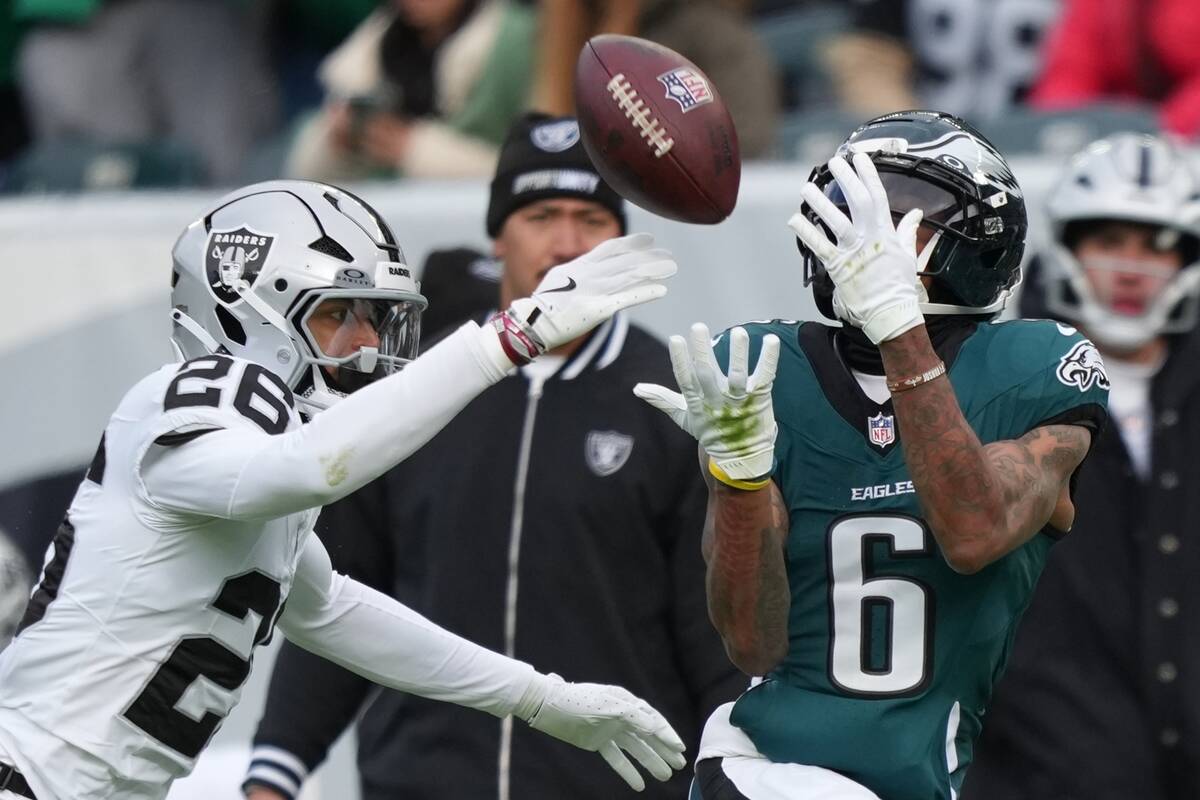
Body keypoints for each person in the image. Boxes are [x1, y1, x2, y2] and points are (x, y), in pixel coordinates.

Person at [0, 178, 687, 800]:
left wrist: (540, 698)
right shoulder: (196, 398)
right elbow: (306, 466)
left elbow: (335, 612)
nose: (366, 341)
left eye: (373, 317)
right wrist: (506, 339)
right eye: (339, 315)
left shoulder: (257, 467)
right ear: (251, 313)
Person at [242, 113, 744, 800]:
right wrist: (275, 769)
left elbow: (713, 628)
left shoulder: (672, 396)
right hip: (418, 784)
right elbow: (339, 589)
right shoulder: (413, 389)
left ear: (620, 239)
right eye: (541, 214)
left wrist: (730, 774)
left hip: (616, 787)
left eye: (591, 220)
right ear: (497, 236)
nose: (567, 244)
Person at [633, 110, 1111, 799]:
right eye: (855, 208)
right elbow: (751, 640)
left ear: (979, 239)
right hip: (765, 768)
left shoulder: (1034, 364)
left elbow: (974, 531)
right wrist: (738, 475)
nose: (874, 236)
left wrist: (900, 332)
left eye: (904, 211)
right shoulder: (771, 368)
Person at [964, 133, 1200, 799]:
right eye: (1110, 240)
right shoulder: (990, 386)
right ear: (1067, 245)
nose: (1133, 268)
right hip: (1042, 770)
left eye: (1158, 244)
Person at [286, 0, 536, 182]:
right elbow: (306, 173)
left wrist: (413, 149)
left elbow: (532, 170)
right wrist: (337, 143)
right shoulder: (378, 42)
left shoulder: (517, 38)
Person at [1030, 0, 1200, 139]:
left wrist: (1162, 128)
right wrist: (1062, 125)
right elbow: (1069, 71)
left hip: (1178, 141)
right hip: (1118, 136)